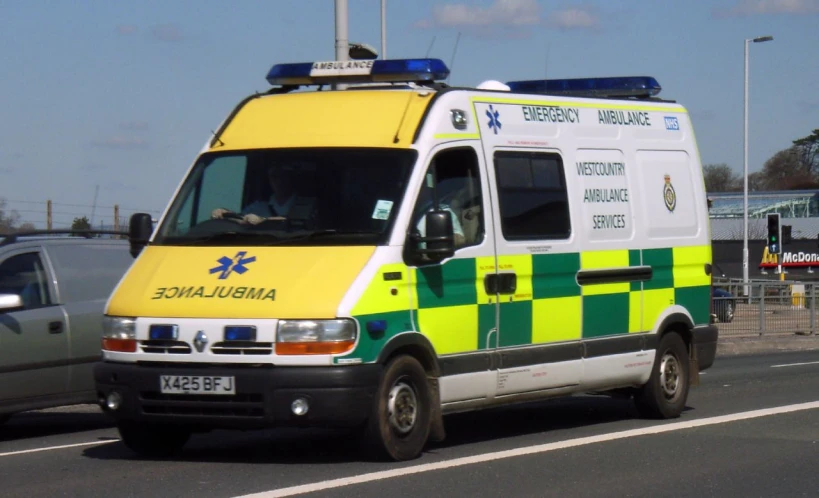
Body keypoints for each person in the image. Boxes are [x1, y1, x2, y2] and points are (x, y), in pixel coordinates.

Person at [212, 164, 296, 225]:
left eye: (283, 176)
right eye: (274, 176)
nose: (278, 181)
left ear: (290, 178)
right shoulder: (258, 207)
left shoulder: (304, 205)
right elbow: (241, 219)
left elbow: (298, 222)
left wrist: (262, 220)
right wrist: (224, 213)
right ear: (269, 180)